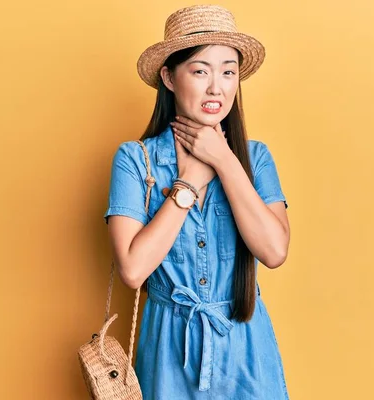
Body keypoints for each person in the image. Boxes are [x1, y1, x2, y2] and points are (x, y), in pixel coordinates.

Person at [104, 5, 291, 399]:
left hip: (246, 352)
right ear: (169, 77)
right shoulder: (135, 160)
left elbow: (274, 251)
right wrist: (189, 181)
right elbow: (134, 270)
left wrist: (223, 160)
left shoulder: (254, 159)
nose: (216, 88)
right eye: (200, 70)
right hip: (168, 355)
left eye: (228, 71)